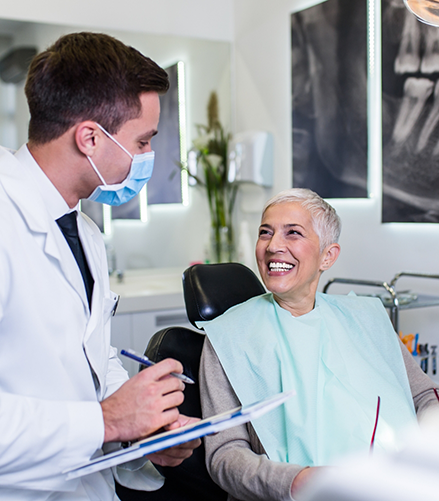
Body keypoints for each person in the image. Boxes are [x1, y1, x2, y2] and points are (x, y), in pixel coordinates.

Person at [0, 32, 200, 500]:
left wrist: (140, 432)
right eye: (143, 141)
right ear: (90, 137)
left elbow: (93, 357)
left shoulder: (85, 232)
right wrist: (108, 421)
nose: (148, 157)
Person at [199, 188, 439, 501]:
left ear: (328, 256)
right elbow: (224, 455)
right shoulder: (228, 336)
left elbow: (423, 395)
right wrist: (296, 481)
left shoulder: (367, 318)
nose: (273, 246)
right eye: (265, 233)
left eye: (293, 233)